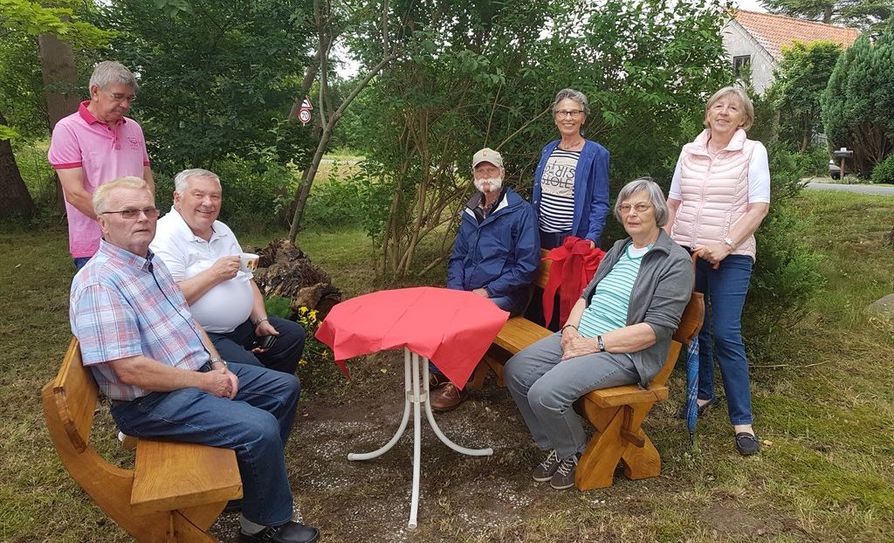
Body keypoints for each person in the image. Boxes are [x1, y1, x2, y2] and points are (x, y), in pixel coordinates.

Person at [69, 177, 319, 543]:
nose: (142, 218)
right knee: (260, 426)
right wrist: (205, 382)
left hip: (192, 373)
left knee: (283, 387)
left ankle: (251, 486)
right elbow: (129, 370)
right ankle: (263, 526)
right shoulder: (101, 284)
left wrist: (217, 364)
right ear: (102, 222)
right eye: (128, 212)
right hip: (150, 402)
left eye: (147, 210)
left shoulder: (147, 263)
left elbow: (187, 319)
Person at [505, 178, 693, 490]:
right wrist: (570, 329)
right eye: (625, 207)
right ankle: (555, 442)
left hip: (625, 353)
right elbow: (584, 297)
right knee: (518, 370)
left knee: (545, 393)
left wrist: (594, 344)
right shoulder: (619, 249)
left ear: (658, 211)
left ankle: (572, 452)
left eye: (640, 207)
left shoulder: (674, 261)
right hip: (584, 335)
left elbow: (655, 330)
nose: (631, 213)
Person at [665, 86, 770, 456]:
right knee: (695, 328)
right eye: (717, 106)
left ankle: (742, 421)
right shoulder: (688, 152)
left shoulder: (753, 152)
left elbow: (758, 207)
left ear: (744, 118)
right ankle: (703, 394)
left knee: (726, 333)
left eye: (733, 108)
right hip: (687, 252)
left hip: (732, 255)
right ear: (707, 114)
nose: (724, 112)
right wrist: (666, 245)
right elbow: (674, 202)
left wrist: (725, 245)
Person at [150, 168, 305, 374]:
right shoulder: (164, 235)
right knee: (255, 372)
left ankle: (273, 394)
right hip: (200, 335)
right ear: (177, 198)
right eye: (199, 195)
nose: (208, 202)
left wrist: (261, 320)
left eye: (215, 196)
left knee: (291, 336)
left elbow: (246, 279)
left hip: (242, 327)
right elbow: (167, 300)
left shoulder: (222, 229)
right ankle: (260, 391)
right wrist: (214, 274)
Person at [429, 147, 540, 411]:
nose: (486, 174)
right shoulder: (470, 210)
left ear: (502, 173)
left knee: (470, 315)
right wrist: (456, 289)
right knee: (440, 305)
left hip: (508, 294)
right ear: (474, 176)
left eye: (491, 169)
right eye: (481, 170)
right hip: (469, 292)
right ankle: (439, 369)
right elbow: (458, 257)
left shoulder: (520, 212)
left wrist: (488, 291)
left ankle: (457, 384)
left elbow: (527, 266)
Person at [48, 61, 155, 270]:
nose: (125, 105)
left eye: (129, 98)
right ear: (95, 91)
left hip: (137, 240)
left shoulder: (133, 128)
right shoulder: (68, 129)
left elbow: (147, 180)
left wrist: (143, 219)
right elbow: (75, 194)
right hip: (95, 245)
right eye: (118, 96)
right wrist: (118, 226)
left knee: (142, 300)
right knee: (102, 301)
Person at [532, 88, 610, 250]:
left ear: (583, 117)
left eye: (574, 112)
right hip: (542, 234)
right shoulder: (548, 150)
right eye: (562, 112)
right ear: (555, 118)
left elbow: (600, 201)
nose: (568, 118)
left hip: (574, 237)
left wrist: (592, 236)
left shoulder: (596, 153)